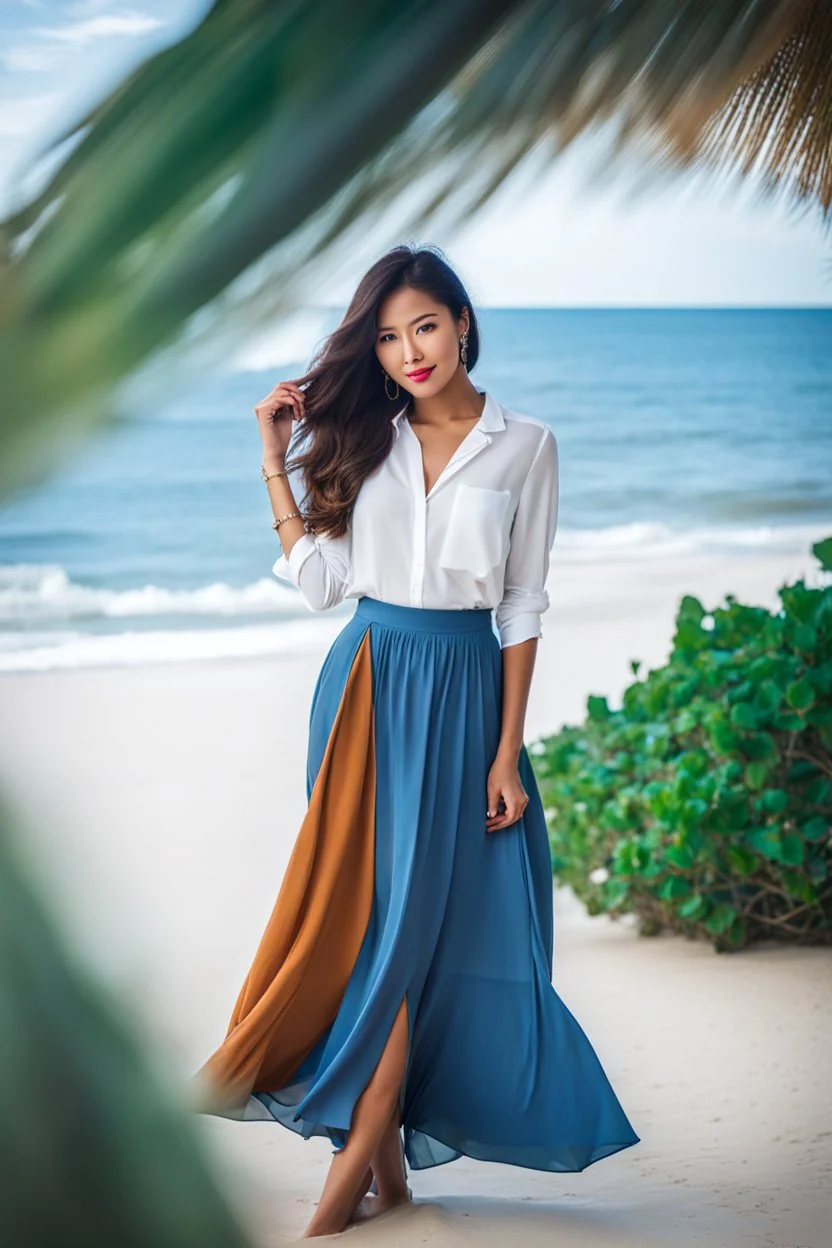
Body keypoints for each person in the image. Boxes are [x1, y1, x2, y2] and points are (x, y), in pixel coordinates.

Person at [192, 244, 640, 1238]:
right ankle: (371, 1150)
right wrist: (273, 461)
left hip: (468, 693)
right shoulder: (368, 435)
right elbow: (321, 587)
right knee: (376, 918)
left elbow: (521, 603)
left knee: (437, 920)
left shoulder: (526, 444)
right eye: (387, 337)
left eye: (423, 326)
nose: (408, 351)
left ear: (462, 322)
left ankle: (379, 1154)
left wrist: (503, 752)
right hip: (365, 689)